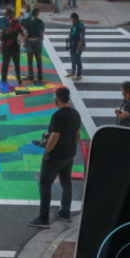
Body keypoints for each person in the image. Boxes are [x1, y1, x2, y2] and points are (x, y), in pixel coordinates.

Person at [27, 87, 81, 228]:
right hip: (69, 155)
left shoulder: (58, 116)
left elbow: (54, 137)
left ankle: (43, 218)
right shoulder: (76, 114)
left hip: (55, 156)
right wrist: (70, 147)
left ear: (57, 98)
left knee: (45, 185)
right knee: (66, 183)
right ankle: (65, 212)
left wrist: (47, 153)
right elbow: (77, 135)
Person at [0, 9, 25, 87]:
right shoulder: (7, 24)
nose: (10, 19)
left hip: (12, 47)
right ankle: (6, 79)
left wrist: (21, 41)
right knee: (7, 64)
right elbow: (0, 35)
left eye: (11, 17)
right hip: (9, 47)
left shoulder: (15, 24)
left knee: (13, 64)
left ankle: (17, 79)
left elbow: (22, 33)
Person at [23, 7, 45, 83]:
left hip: (29, 41)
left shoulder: (26, 21)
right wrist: (41, 40)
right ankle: (39, 75)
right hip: (37, 41)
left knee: (30, 59)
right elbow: (42, 33)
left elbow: (21, 27)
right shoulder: (40, 22)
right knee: (38, 59)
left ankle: (31, 75)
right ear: (37, 14)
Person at [66, 12, 85, 82]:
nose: (72, 21)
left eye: (73, 20)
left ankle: (79, 74)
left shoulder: (80, 26)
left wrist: (77, 49)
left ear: (76, 19)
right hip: (73, 44)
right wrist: (69, 39)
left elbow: (81, 39)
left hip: (78, 45)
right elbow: (71, 32)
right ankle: (73, 72)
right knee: (73, 58)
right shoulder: (74, 24)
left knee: (77, 59)